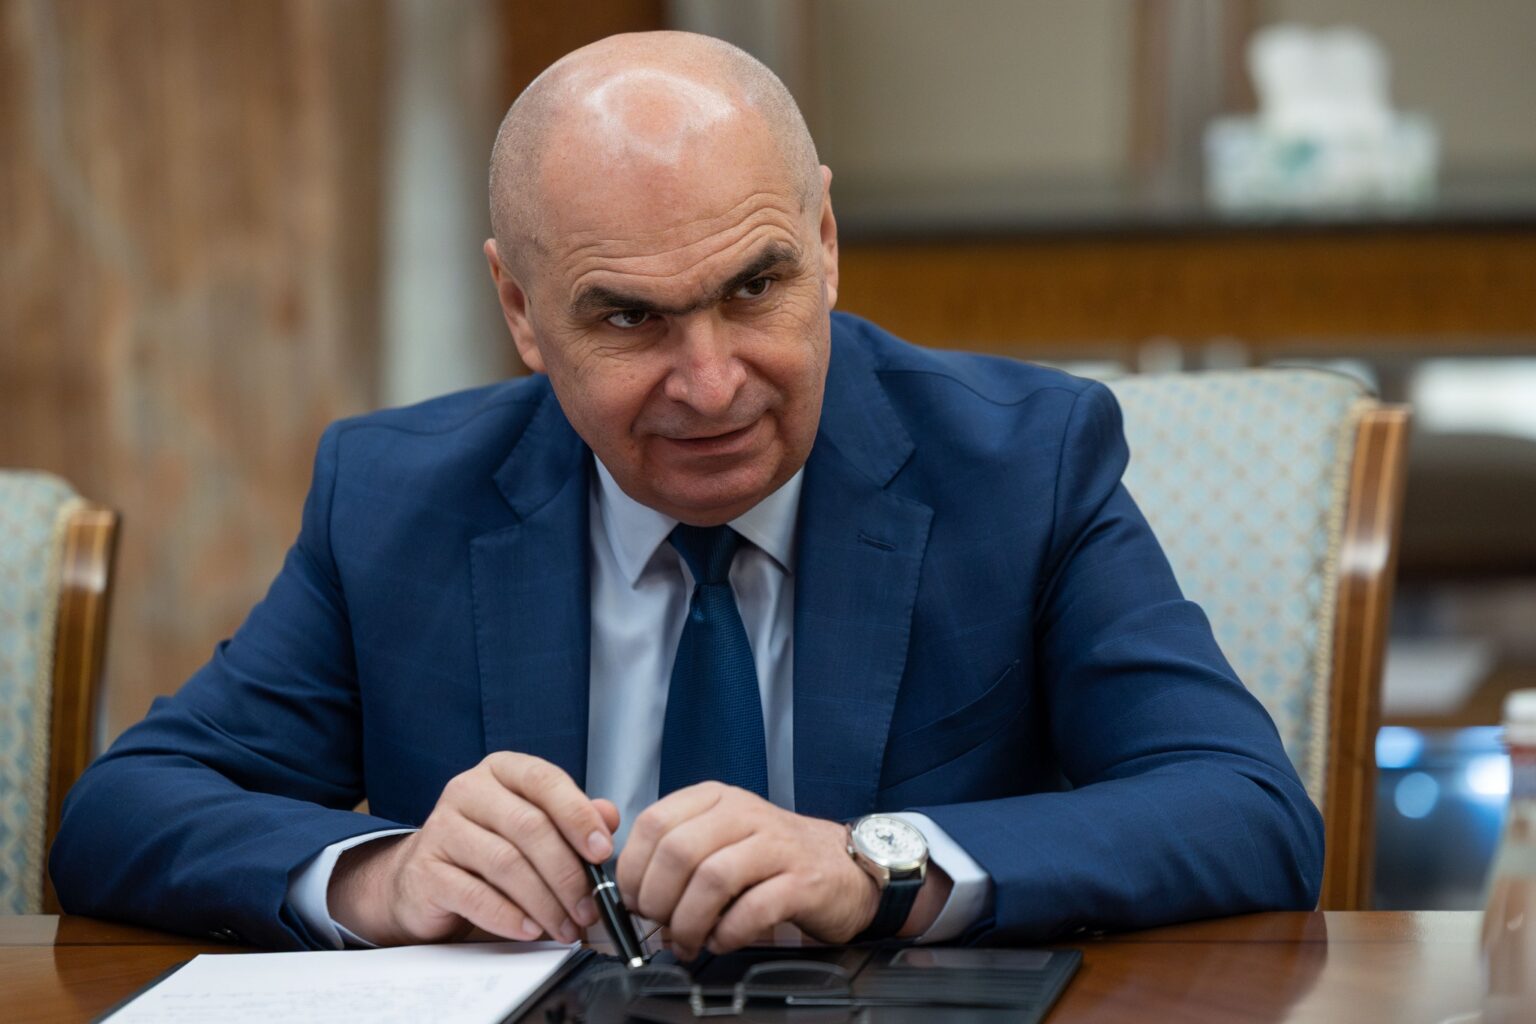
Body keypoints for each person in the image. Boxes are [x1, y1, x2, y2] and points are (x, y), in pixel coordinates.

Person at [50, 32, 1322, 954]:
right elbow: (125, 811)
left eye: (755, 288)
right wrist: (387, 877)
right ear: (520, 312)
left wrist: (877, 862)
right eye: (626, 316)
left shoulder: (1023, 462)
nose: (711, 384)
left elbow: (1246, 808)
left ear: (824, 242)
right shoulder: (395, 498)